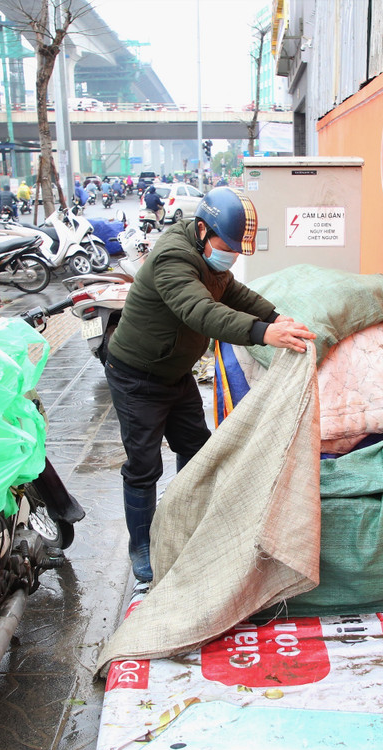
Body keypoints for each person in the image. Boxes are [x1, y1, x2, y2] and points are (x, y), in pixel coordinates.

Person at [104, 187, 316, 582]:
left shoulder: (209, 260)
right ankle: (141, 545)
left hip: (175, 374)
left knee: (197, 449)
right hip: (136, 376)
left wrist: (276, 317)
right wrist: (261, 333)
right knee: (143, 466)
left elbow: (232, 292)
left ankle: (186, 522)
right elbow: (200, 311)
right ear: (202, 230)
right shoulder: (173, 258)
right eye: (227, 246)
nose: (231, 256)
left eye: (237, 250)